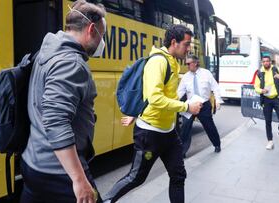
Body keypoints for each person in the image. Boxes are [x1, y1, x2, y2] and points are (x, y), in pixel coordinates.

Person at [103, 25, 202, 203]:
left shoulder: (171, 60)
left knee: (178, 175)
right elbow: (155, 98)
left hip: (169, 134)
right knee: (136, 177)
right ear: (174, 42)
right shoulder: (159, 61)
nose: (188, 49)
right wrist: (186, 107)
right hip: (150, 135)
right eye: (186, 44)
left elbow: (157, 93)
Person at [20, 1, 106, 202]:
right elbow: (56, 119)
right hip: (58, 171)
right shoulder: (71, 62)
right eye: (102, 35)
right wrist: (78, 179)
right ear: (91, 29)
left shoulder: (47, 51)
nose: (102, 42)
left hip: (33, 160)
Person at [177, 55, 224, 157]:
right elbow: (179, 92)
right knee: (185, 127)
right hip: (190, 105)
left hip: (204, 105)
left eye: (188, 64)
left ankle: (217, 144)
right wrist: (173, 102)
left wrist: (218, 101)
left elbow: (215, 88)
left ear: (195, 63)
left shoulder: (206, 73)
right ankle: (182, 152)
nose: (187, 66)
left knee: (209, 126)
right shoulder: (186, 77)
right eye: (186, 64)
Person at [254, 56, 279, 150]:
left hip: (277, 98)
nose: (266, 63)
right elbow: (256, 87)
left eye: (267, 61)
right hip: (266, 99)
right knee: (268, 121)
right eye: (264, 61)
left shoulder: (276, 69)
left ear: (270, 62)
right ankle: (270, 141)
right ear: (262, 63)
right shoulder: (259, 73)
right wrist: (261, 90)